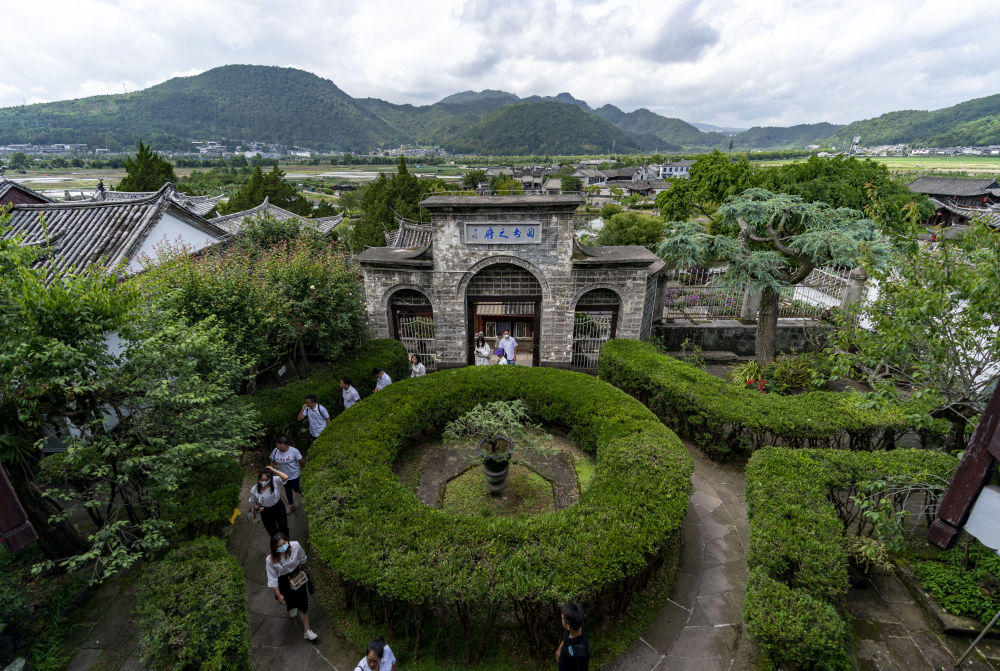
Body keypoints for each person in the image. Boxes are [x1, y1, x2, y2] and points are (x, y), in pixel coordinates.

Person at [266, 532, 318, 641]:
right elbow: (272, 579)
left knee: (302, 602)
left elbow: (303, 559)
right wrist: (278, 594)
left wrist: (307, 570)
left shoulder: (296, 546)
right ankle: (292, 606)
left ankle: (307, 630)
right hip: (284, 581)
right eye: (279, 546)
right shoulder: (270, 560)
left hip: (298, 576)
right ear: (274, 547)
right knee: (289, 600)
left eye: (284, 543)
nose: (282, 547)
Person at [248, 466, 289, 538]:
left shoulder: (275, 481)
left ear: (270, 478)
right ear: (258, 479)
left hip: (278, 507)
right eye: (261, 480)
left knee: (283, 527)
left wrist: (273, 470)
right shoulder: (254, 489)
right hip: (265, 511)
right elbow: (253, 502)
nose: (263, 482)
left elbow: (285, 477)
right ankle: (278, 543)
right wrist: (258, 508)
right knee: (272, 531)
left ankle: (286, 541)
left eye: (266, 480)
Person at [270, 437, 304, 513]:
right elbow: (272, 461)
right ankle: (291, 505)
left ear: (286, 445)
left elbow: (301, 461)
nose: (278, 445)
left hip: (294, 475)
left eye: (280, 444)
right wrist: (273, 469)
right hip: (283, 476)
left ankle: (305, 495)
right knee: (288, 490)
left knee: (296, 488)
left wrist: (304, 468)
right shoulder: (275, 451)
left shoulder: (294, 451)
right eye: (277, 443)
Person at [555, 601, 589, 671]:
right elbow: (566, 636)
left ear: (568, 626)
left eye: (562, 618)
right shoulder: (575, 624)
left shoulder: (581, 654)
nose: (561, 615)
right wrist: (560, 648)